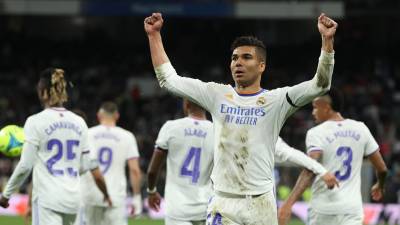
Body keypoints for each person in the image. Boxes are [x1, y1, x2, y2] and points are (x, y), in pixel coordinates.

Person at [144, 11, 338, 224]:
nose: (238, 62)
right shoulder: (216, 94)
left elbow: (320, 85)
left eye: (246, 57)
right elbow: (169, 79)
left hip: (261, 204)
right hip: (223, 203)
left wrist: (327, 41)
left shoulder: (277, 100)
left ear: (262, 65)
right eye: (235, 58)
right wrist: (154, 35)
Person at [146, 99, 337, 225]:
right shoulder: (220, 131)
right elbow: (292, 154)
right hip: (223, 205)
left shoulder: (182, 128)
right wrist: (322, 170)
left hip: (203, 206)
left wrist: (152, 190)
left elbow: (153, 169)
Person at [278, 89, 388, 225]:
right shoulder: (361, 128)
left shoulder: (316, 133)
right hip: (351, 210)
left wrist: (288, 203)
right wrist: (380, 185)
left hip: (323, 210)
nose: (313, 112)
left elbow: (310, 169)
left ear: (326, 107)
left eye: (315, 107)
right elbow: (382, 168)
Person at [0, 68, 92, 225]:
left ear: (42, 92)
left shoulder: (35, 121)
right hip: (74, 198)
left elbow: (25, 166)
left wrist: (6, 194)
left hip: (48, 199)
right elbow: (85, 166)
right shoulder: (79, 122)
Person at [78, 102, 142, 225]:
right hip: (116, 196)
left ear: (99, 115)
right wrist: (136, 197)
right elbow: (134, 170)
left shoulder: (88, 134)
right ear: (117, 116)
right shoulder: (127, 136)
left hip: (90, 195)